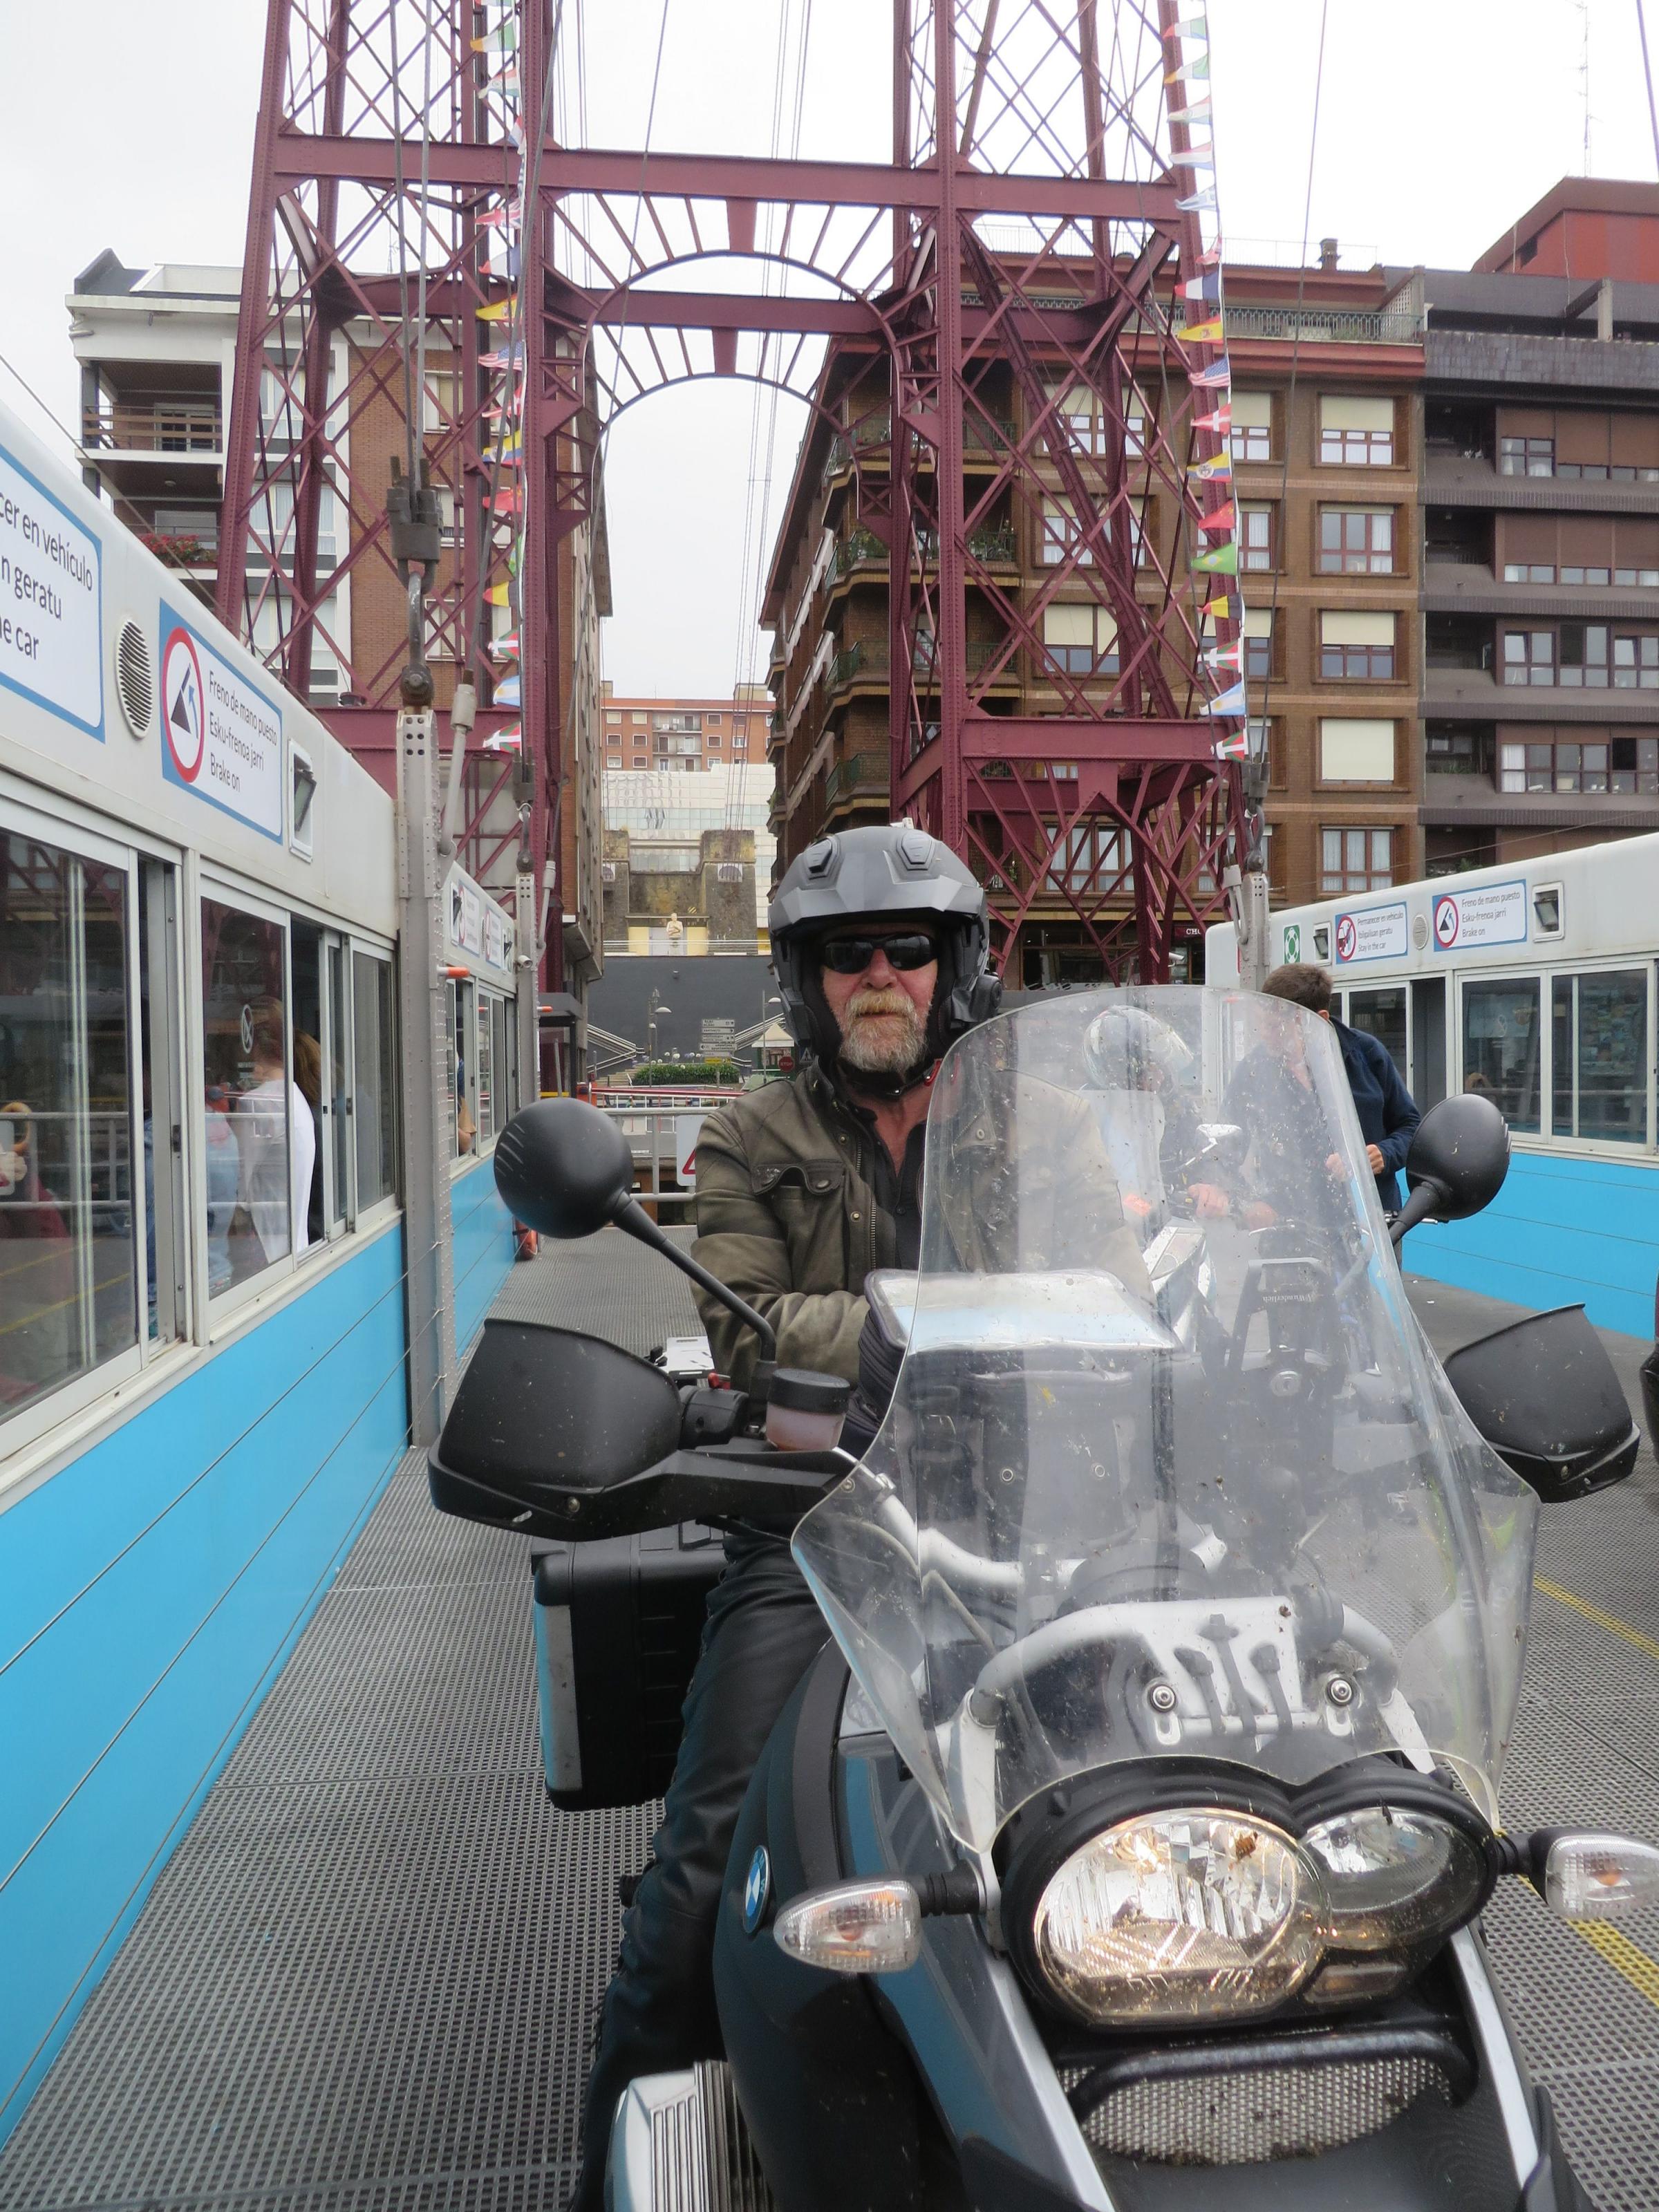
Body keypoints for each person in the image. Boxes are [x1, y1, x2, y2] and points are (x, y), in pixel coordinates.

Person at [568, 824, 1143, 2209]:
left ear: (956, 964)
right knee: (705, 1868)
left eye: (906, 948)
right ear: (807, 978)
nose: (878, 975)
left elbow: (1110, 1291)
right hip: (814, 1524)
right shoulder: (749, 1133)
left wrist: (892, 1330)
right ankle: (609, 2166)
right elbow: (747, 1329)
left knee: (1159, 1816)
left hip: (1031, 1520)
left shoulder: (1043, 1124)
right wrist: (949, 1324)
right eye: (846, 954)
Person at [1257, 964, 1421, 1212]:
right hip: (1293, 1222)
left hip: (1370, 1219)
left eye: (1275, 1027)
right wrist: (1214, 1186)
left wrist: (1383, 1154)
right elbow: (1229, 1136)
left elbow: (1411, 1127)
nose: (1264, 1035)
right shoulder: (1255, 1067)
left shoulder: (1367, 1054)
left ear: (1319, 1020)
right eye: (1263, 1024)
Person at [1081, 1004, 1232, 1231]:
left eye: (1160, 1066)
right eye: (1144, 1070)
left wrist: (1212, 1186)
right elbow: (1092, 1192)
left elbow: (1203, 1150)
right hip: (1103, 1234)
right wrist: (1144, 1208)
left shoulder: (1174, 1106)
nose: (1158, 1078)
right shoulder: (1083, 1115)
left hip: (1168, 1233)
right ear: (1113, 1073)